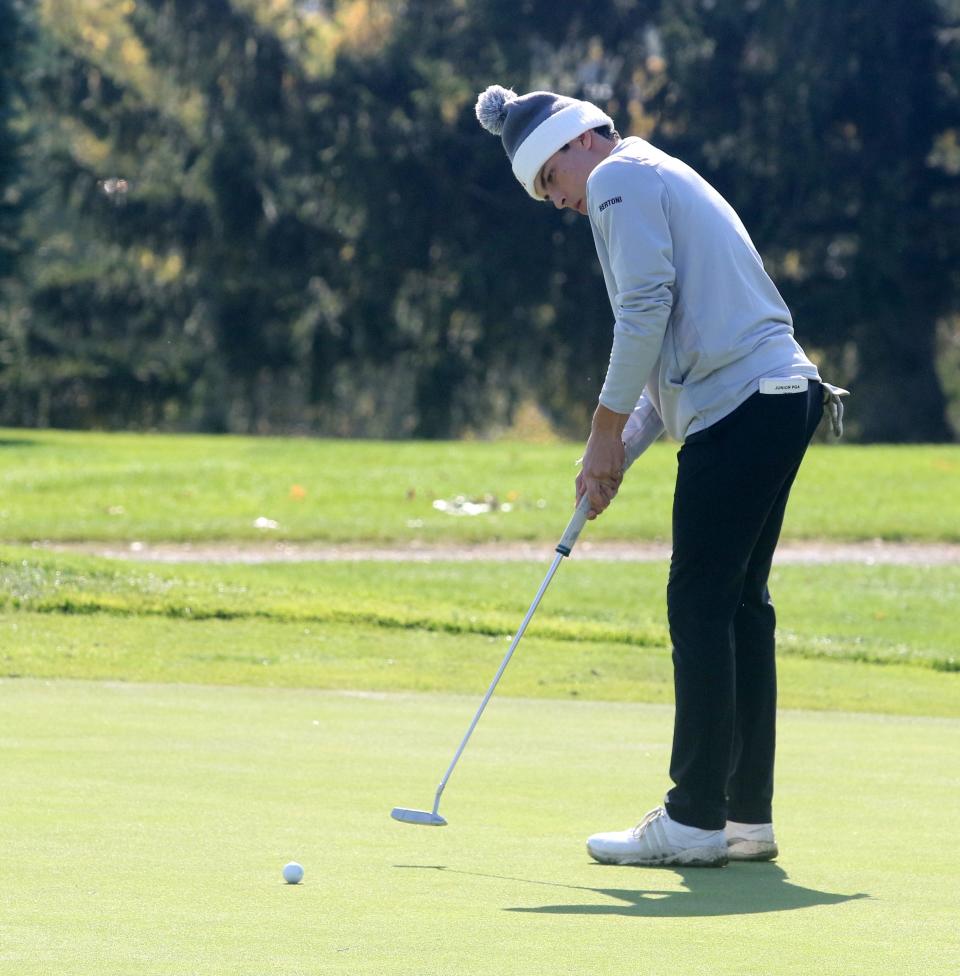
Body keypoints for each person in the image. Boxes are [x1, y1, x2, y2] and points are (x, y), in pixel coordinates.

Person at [475, 84, 848, 867]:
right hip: (781, 398)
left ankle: (692, 819)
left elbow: (643, 311)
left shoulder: (616, 179)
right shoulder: (654, 173)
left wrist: (601, 431)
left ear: (578, 144)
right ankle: (745, 817)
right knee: (740, 605)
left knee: (700, 602)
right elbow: (668, 369)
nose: (557, 201)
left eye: (550, 179)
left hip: (744, 406)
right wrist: (615, 454)